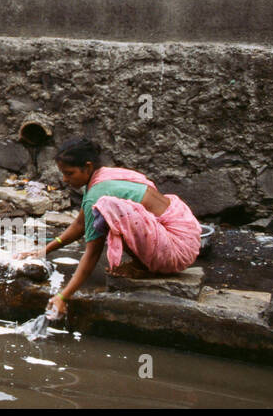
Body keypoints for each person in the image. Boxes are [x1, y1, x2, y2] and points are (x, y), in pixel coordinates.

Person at [19, 137, 201, 319]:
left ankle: (143, 267)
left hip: (175, 251)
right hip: (188, 236)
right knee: (110, 211)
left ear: (88, 167)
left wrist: (63, 296)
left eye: (70, 173)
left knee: (110, 213)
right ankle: (144, 262)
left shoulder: (98, 194)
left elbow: (91, 255)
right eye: (63, 173)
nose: (65, 179)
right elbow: (81, 224)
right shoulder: (105, 176)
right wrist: (45, 250)